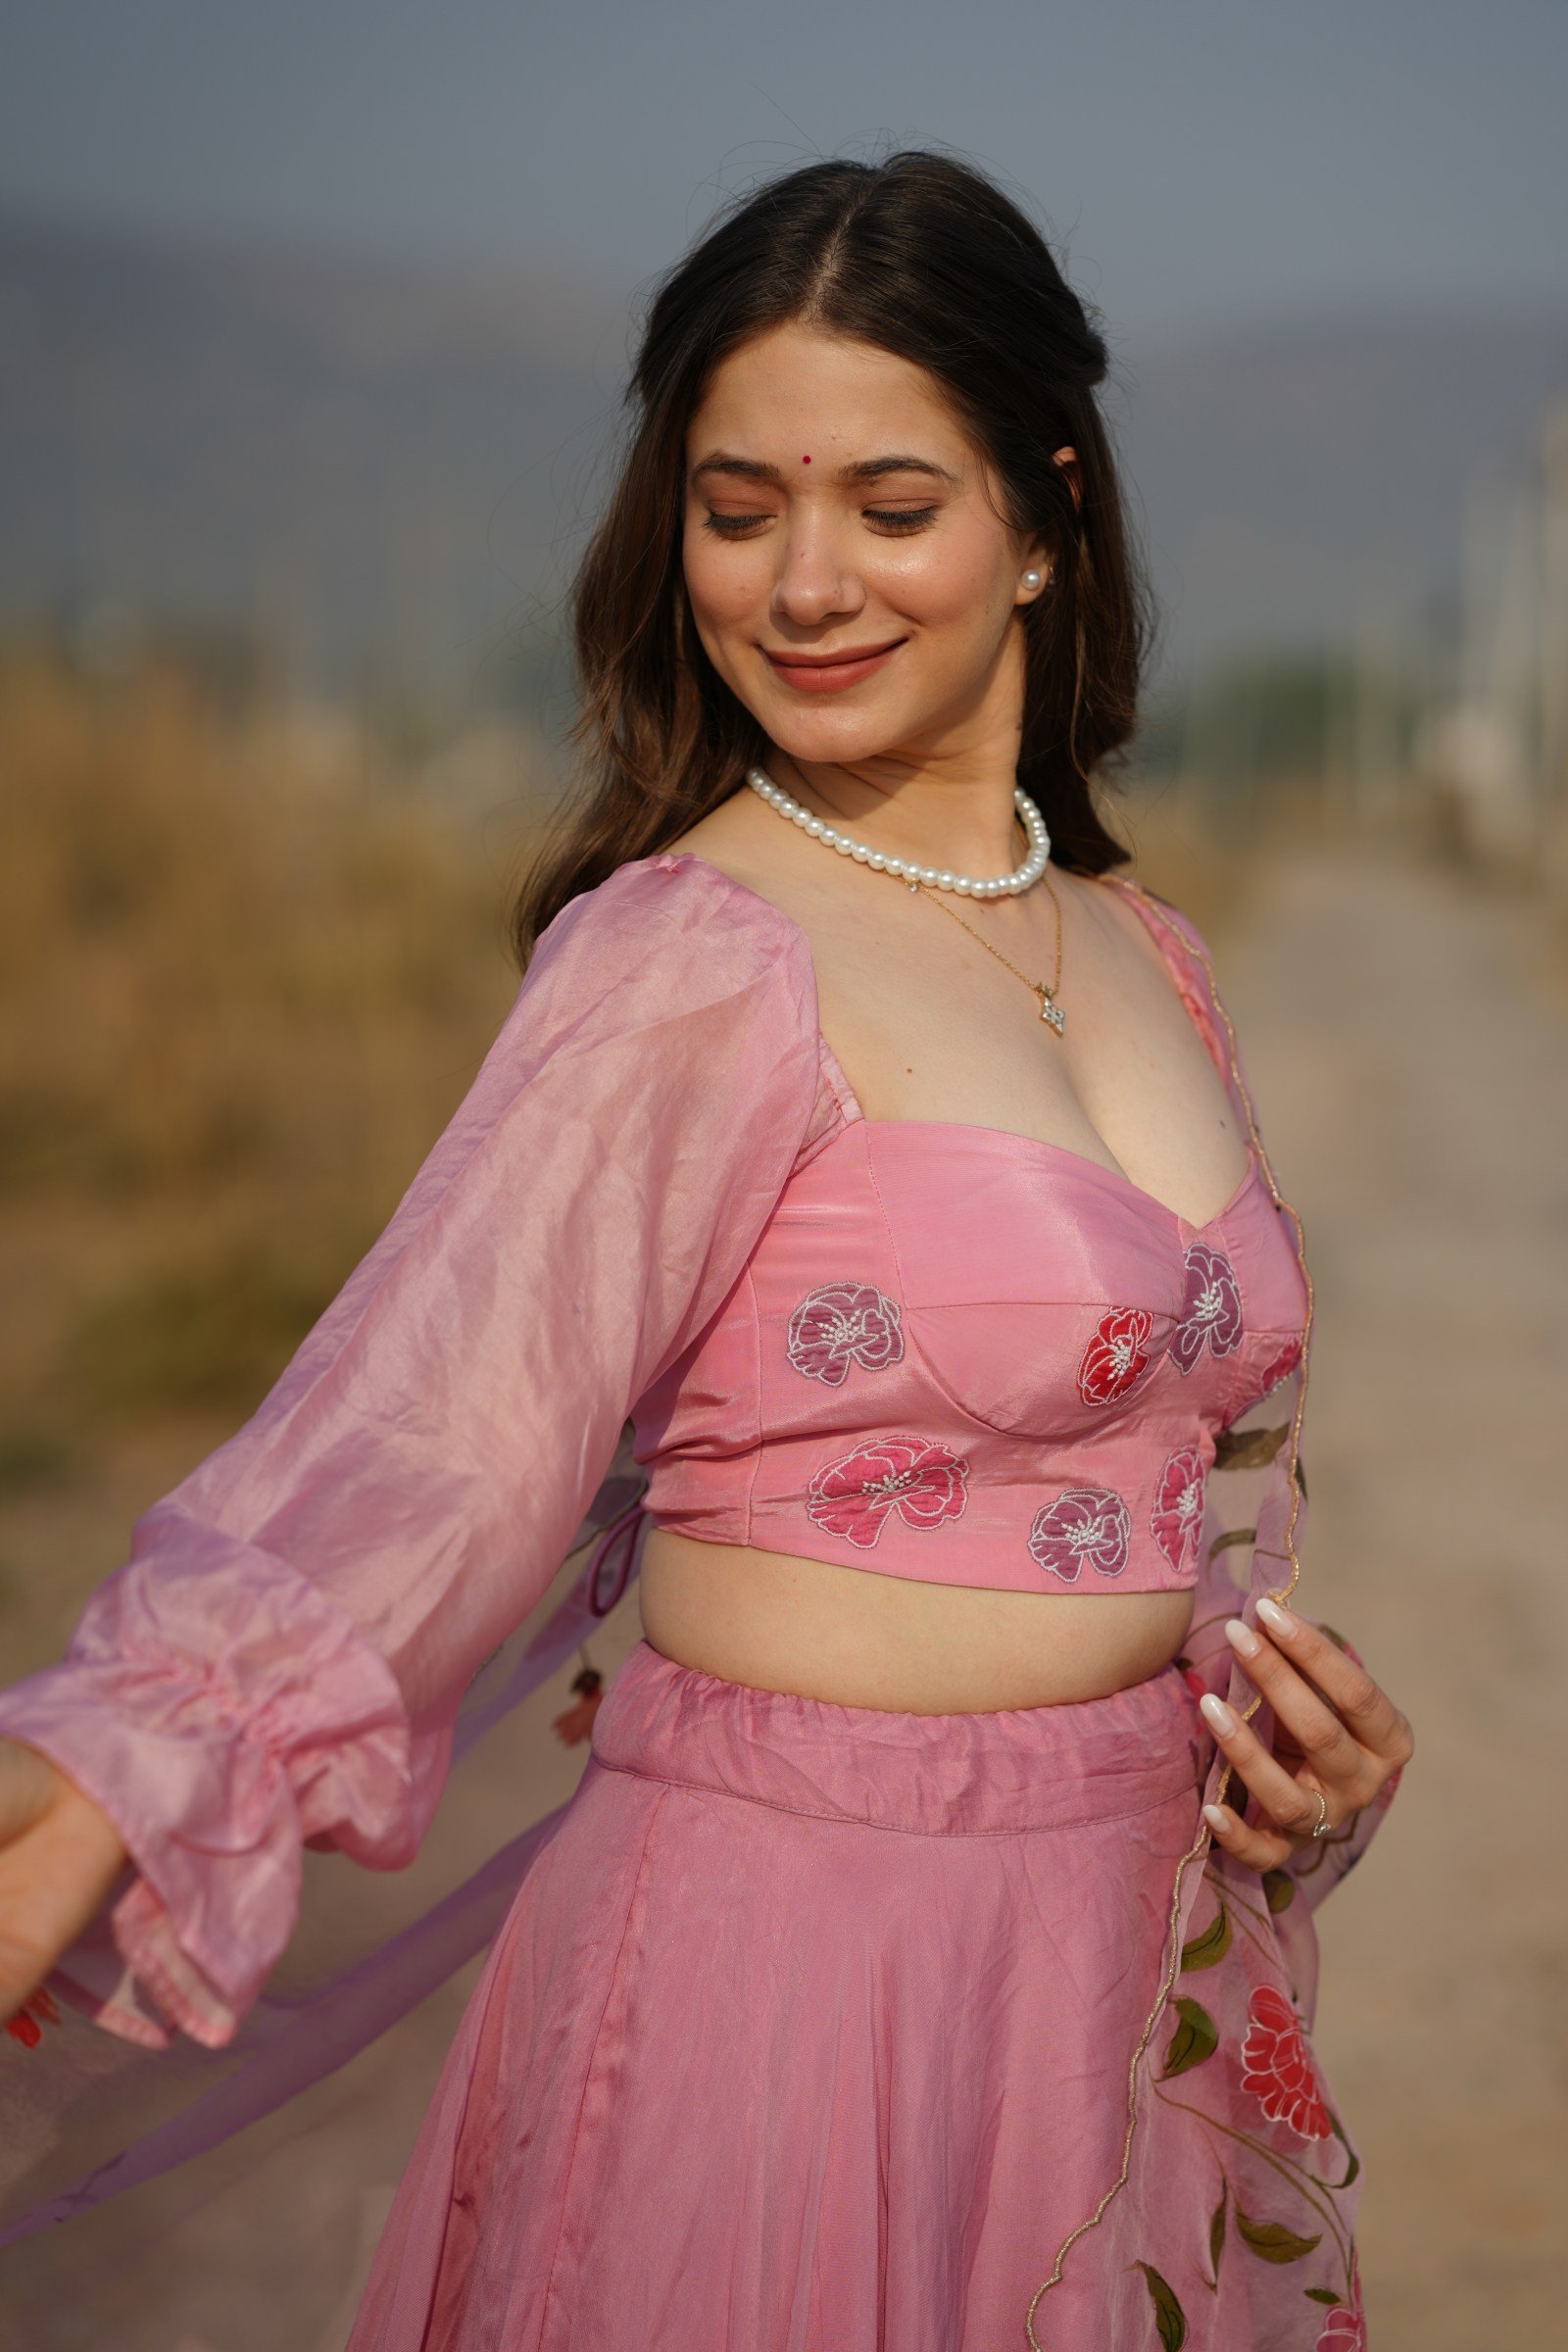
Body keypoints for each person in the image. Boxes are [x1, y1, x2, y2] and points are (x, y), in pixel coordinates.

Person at [0, 151, 1410, 2349]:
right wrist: (106, 1783)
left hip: (1102, 1972)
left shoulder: (1150, 954)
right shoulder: (689, 953)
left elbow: (1185, 1475)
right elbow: (433, 1430)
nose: (804, 582)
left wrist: (1290, 1767)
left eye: (888, 503)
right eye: (736, 508)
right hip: (784, 1973)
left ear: (1042, 518)